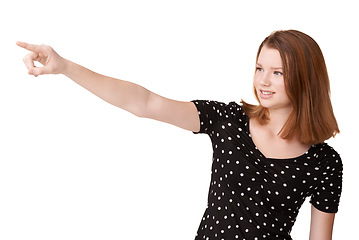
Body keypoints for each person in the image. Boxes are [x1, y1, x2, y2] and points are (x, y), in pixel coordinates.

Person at [17, 29, 343, 240]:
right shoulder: (229, 120)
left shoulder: (326, 163)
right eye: (260, 68)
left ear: (304, 78)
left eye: (277, 72)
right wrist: (66, 67)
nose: (263, 81)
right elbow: (145, 102)